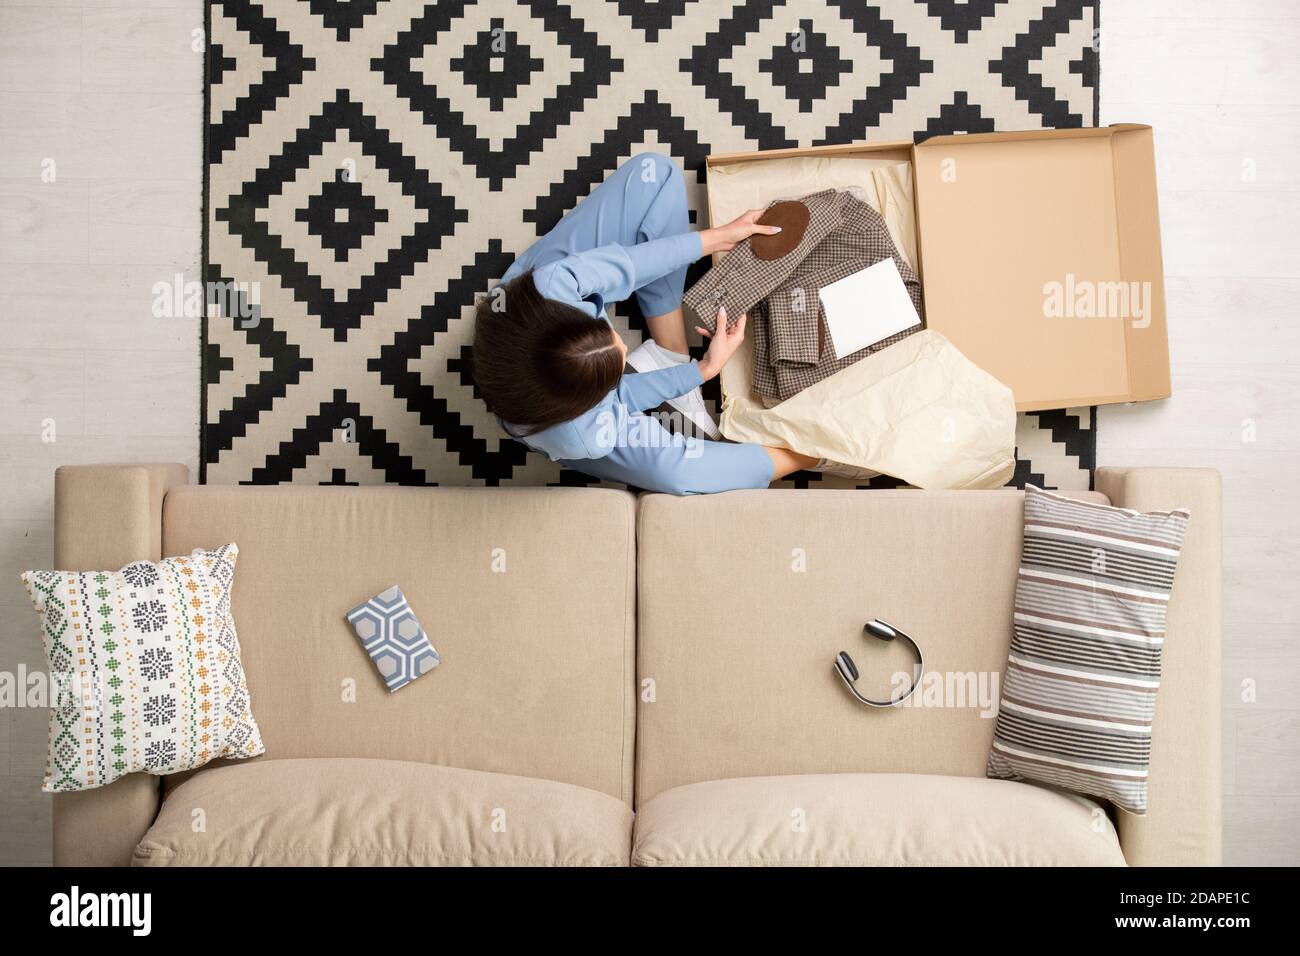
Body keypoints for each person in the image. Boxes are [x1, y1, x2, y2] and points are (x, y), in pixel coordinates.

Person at [472, 152, 822, 495]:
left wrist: (718, 237)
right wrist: (704, 370)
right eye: (621, 361)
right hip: (563, 426)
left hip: (527, 315)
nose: (625, 345)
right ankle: (814, 452)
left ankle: (670, 351)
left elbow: (630, 265)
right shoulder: (583, 434)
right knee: (677, 470)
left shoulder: (551, 284)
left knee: (653, 174)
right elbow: (622, 397)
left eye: (606, 334)